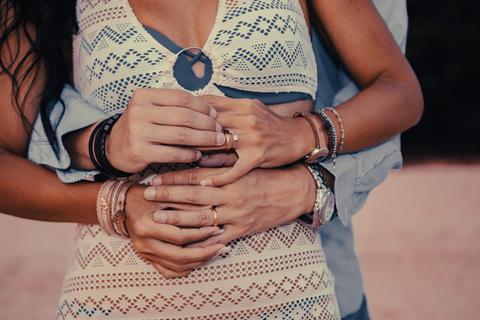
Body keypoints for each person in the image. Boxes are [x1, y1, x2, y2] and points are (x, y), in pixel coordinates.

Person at [0, 0, 422, 319]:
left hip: (290, 294)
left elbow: (399, 89)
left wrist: (303, 134)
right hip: (118, 296)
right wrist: (119, 204)